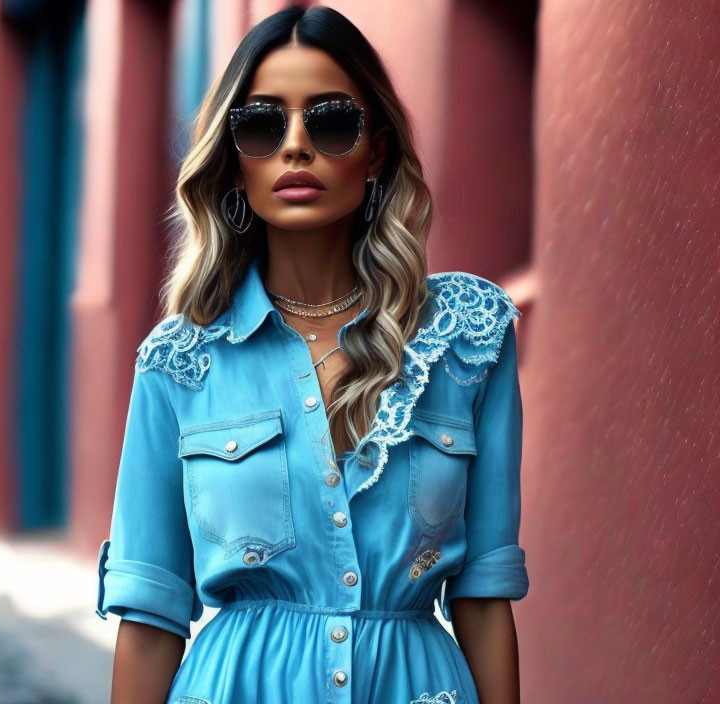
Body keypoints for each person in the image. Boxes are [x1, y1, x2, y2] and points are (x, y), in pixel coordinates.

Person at [95, 5, 529, 703]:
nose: (296, 147)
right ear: (233, 163)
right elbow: (150, 615)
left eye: (330, 121)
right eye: (263, 126)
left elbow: (484, 592)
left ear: (377, 149)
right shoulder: (179, 362)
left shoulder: (464, 339)